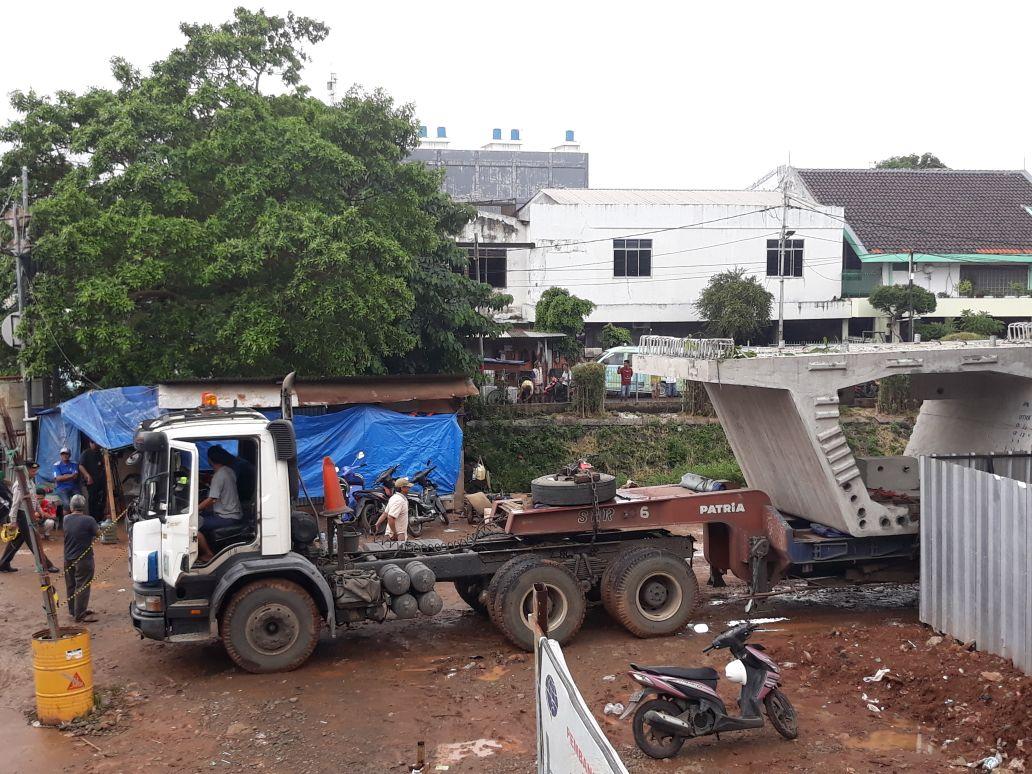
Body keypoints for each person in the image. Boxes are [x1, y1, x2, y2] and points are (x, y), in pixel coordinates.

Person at [0, 465, 60, 573]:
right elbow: (15, 504)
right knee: (34, 540)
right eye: (33, 471)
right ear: (26, 471)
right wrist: (13, 521)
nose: (36, 472)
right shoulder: (20, 484)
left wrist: (40, 511)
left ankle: (3, 563)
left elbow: (34, 499)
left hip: (28, 514)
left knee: (17, 540)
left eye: (36, 470)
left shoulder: (30, 482)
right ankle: (46, 564)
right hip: (21, 515)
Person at [196, 445, 243, 563]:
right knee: (204, 515)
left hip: (226, 517)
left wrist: (194, 510)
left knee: (190, 526)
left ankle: (208, 554)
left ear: (210, 460)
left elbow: (212, 499)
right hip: (234, 514)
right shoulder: (229, 470)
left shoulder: (219, 475)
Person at [62, 494, 99, 623]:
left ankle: (74, 611)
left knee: (71, 584)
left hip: (68, 557)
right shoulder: (89, 520)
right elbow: (98, 534)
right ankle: (80, 614)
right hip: (83, 558)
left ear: (71, 507)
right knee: (82, 585)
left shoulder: (66, 519)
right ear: (84, 507)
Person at [79, 439, 107, 523]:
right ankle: (93, 519)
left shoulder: (100, 453)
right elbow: (81, 466)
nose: (94, 444)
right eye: (92, 443)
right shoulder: (86, 453)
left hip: (100, 480)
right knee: (92, 500)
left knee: (102, 499)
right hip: (91, 481)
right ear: (90, 443)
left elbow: (103, 465)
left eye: (96, 443)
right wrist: (87, 475)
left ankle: (100, 518)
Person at [383, 476, 411, 543]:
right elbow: (390, 517)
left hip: (392, 533)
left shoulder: (394, 497)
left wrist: (377, 524)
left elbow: (385, 514)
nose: (409, 488)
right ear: (402, 488)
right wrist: (395, 533)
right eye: (407, 487)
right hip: (398, 535)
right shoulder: (399, 500)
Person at [53, 447, 81, 513]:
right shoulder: (56, 465)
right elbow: (58, 478)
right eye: (63, 454)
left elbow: (75, 476)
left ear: (70, 455)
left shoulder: (74, 464)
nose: (65, 455)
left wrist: (63, 476)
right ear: (60, 455)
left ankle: (76, 518)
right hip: (61, 488)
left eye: (66, 454)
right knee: (66, 504)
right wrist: (70, 475)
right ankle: (66, 520)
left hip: (73, 487)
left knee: (79, 501)